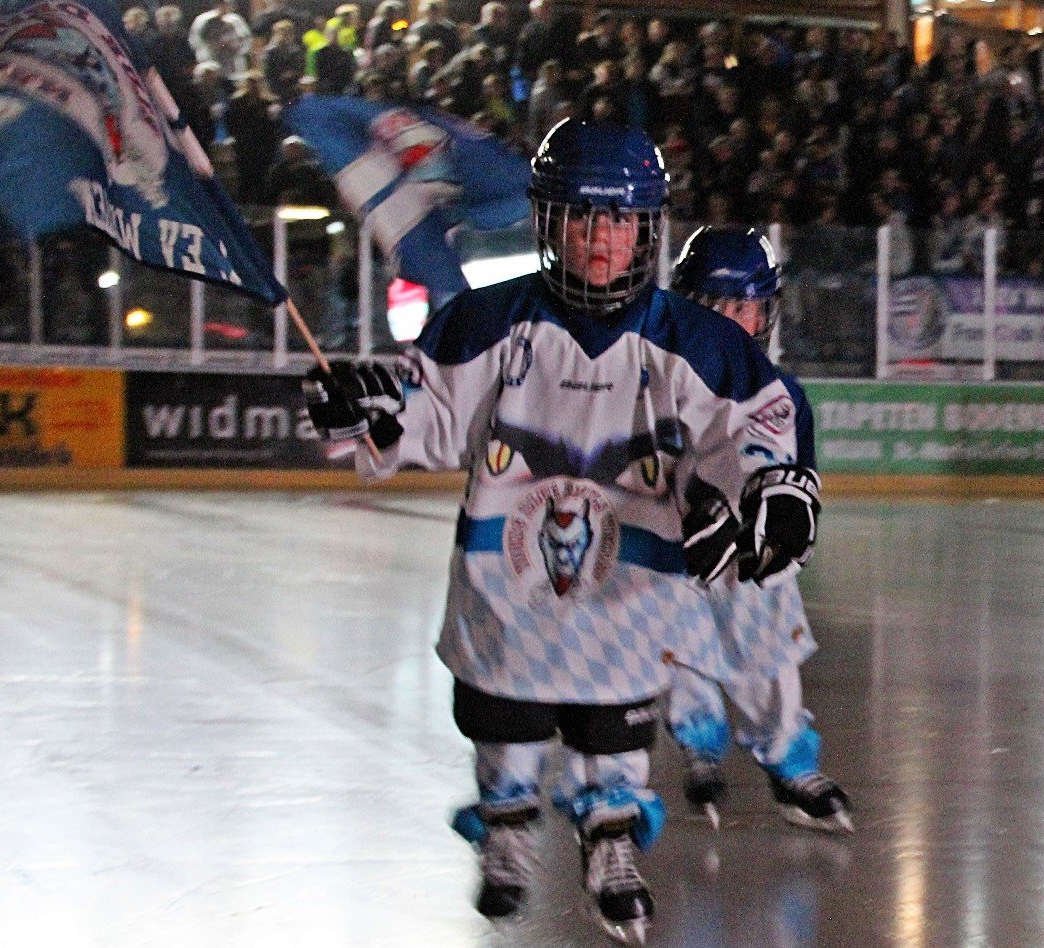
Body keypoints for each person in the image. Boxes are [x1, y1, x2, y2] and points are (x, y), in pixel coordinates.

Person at [300, 121, 820, 944]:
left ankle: (611, 842)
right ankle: (506, 830)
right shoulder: (483, 322)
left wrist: (774, 490)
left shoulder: (696, 342)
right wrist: (368, 413)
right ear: (548, 222)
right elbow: (428, 416)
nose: (602, 239)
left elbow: (756, 422)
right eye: (583, 218)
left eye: (619, 220)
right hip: (505, 568)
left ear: (647, 228)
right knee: (503, 715)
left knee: (612, 723)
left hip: (633, 575)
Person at [664, 226, 853, 835]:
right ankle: (699, 741)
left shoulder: (783, 395)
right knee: (671, 629)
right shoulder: (651, 382)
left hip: (746, 556)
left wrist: (777, 542)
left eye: (753, 308)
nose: (743, 322)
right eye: (728, 308)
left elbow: (799, 484)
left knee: (768, 640)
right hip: (676, 548)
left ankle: (788, 760)